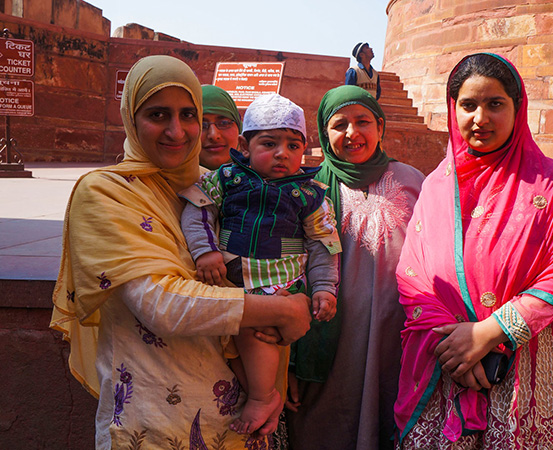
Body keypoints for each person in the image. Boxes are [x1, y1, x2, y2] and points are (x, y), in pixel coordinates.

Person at [49, 55, 312, 449]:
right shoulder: (105, 192)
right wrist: (283, 310)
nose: (178, 131)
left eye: (189, 114)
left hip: (241, 417)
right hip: (153, 420)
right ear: (131, 119)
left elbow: (263, 266)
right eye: (158, 114)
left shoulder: (213, 186)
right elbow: (161, 303)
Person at [394, 53, 553, 449]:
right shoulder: (436, 186)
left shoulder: (551, 182)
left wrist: (488, 333)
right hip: (446, 360)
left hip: (526, 361)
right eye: (468, 105)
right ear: (454, 110)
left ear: (518, 109)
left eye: (495, 104)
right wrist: (455, 348)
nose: (480, 118)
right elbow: (411, 274)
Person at [180, 93, 342, 435]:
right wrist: (204, 252)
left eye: (293, 146)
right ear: (245, 145)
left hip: (277, 282)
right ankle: (259, 392)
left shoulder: (311, 193)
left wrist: (325, 288)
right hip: (229, 274)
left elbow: (323, 245)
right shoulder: (227, 178)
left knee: (259, 332)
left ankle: (263, 395)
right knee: (235, 334)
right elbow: (198, 212)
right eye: (269, 143)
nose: (282, 154)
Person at [282, 85, 425, 450]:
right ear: (324, 134)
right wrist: (293, 361)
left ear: (380, 126)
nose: (352, 133)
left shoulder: (413, 181)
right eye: (339, 124)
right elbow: (292, 271)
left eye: (363, 121)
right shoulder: (308, 190)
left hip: (397, 336)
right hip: (331, 339)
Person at [200, 85, 241, 170]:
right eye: (202, 125)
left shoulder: (266, 175)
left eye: (224, 123)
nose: (214, 135)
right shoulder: (169, 180)